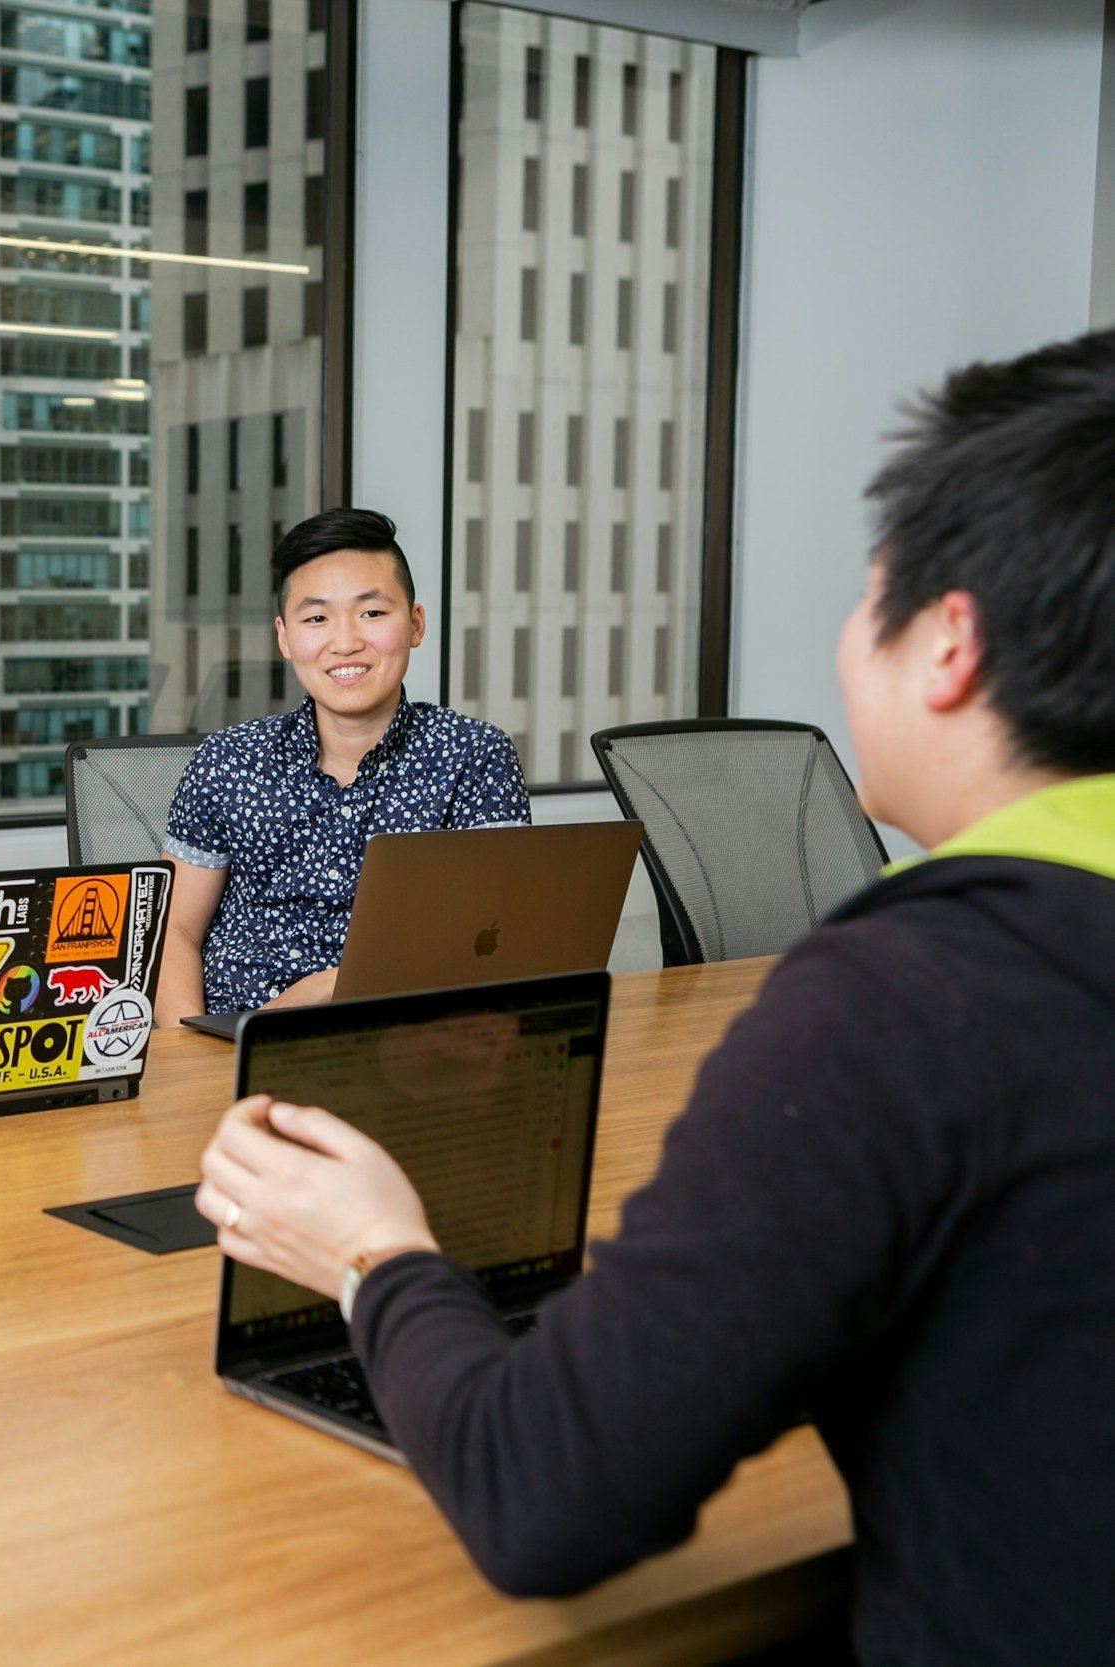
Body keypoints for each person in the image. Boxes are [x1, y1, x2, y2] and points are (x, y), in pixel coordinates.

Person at [194, 331, 1115, 1660]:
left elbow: (546, 1490)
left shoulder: (906, 1000)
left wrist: (373, 1250)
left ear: (947, 643)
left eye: (870, 597)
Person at [156, 509, 527, 1023]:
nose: (346, 641)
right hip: (228, 1043)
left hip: (404, 1044)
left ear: (415, 624)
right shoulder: (227, 760)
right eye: (316, 618)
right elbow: (172, 930)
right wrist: (193, 1054)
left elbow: (493, 938)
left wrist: (334, 987)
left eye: (372, 613)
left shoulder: (473, 756)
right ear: (285, 638)